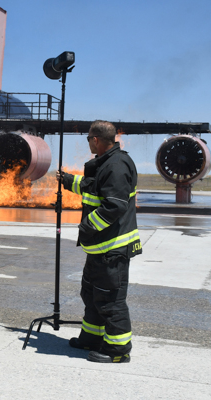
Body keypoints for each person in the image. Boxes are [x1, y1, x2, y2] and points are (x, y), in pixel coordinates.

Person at [57, 120, 141, 363]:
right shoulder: (107, 163)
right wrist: (67, 180)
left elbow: (113, 205)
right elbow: (93, 188)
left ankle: (118, 351)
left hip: (112, 248)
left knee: (110, 300)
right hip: (100, 248)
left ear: (95, 139)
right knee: (92, 295)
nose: (88, 143)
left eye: (88, 139)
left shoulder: (116, 165)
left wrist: (87, 226)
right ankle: (91, 339)